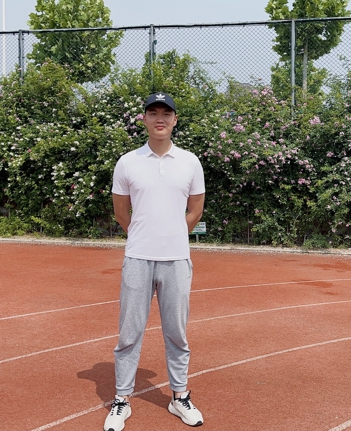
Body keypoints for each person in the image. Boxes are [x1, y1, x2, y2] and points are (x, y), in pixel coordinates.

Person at [103, 92, 205, 431]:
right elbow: (121, 213)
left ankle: (179, 396)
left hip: (177, 259)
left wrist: (173, 234)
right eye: (153, 112)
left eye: (166, 113)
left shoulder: (190, 162)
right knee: (129, 331)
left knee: (177, 332)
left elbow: (195, 209)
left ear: (175, 120)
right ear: (144, 119)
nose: (159, 118)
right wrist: (143, 237)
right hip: (138, 258)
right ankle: (121, 399)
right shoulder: (127, 162)